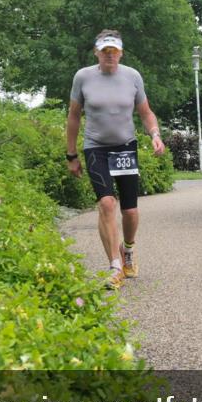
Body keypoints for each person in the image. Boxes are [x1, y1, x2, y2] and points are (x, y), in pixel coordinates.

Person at [66, 30, 166, 287]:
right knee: (107, 204)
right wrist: (72, 154)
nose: (109, 55)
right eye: (105, 51)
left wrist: (155, 134)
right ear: (96, 52)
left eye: (114, 51)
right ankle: (115, 266)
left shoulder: (132, 77)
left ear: (121, 52)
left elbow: (145, 112)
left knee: (130, 210)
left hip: (125, 148)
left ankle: (128, 251)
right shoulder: (83, 77)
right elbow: (74, 117)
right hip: (96, 147)